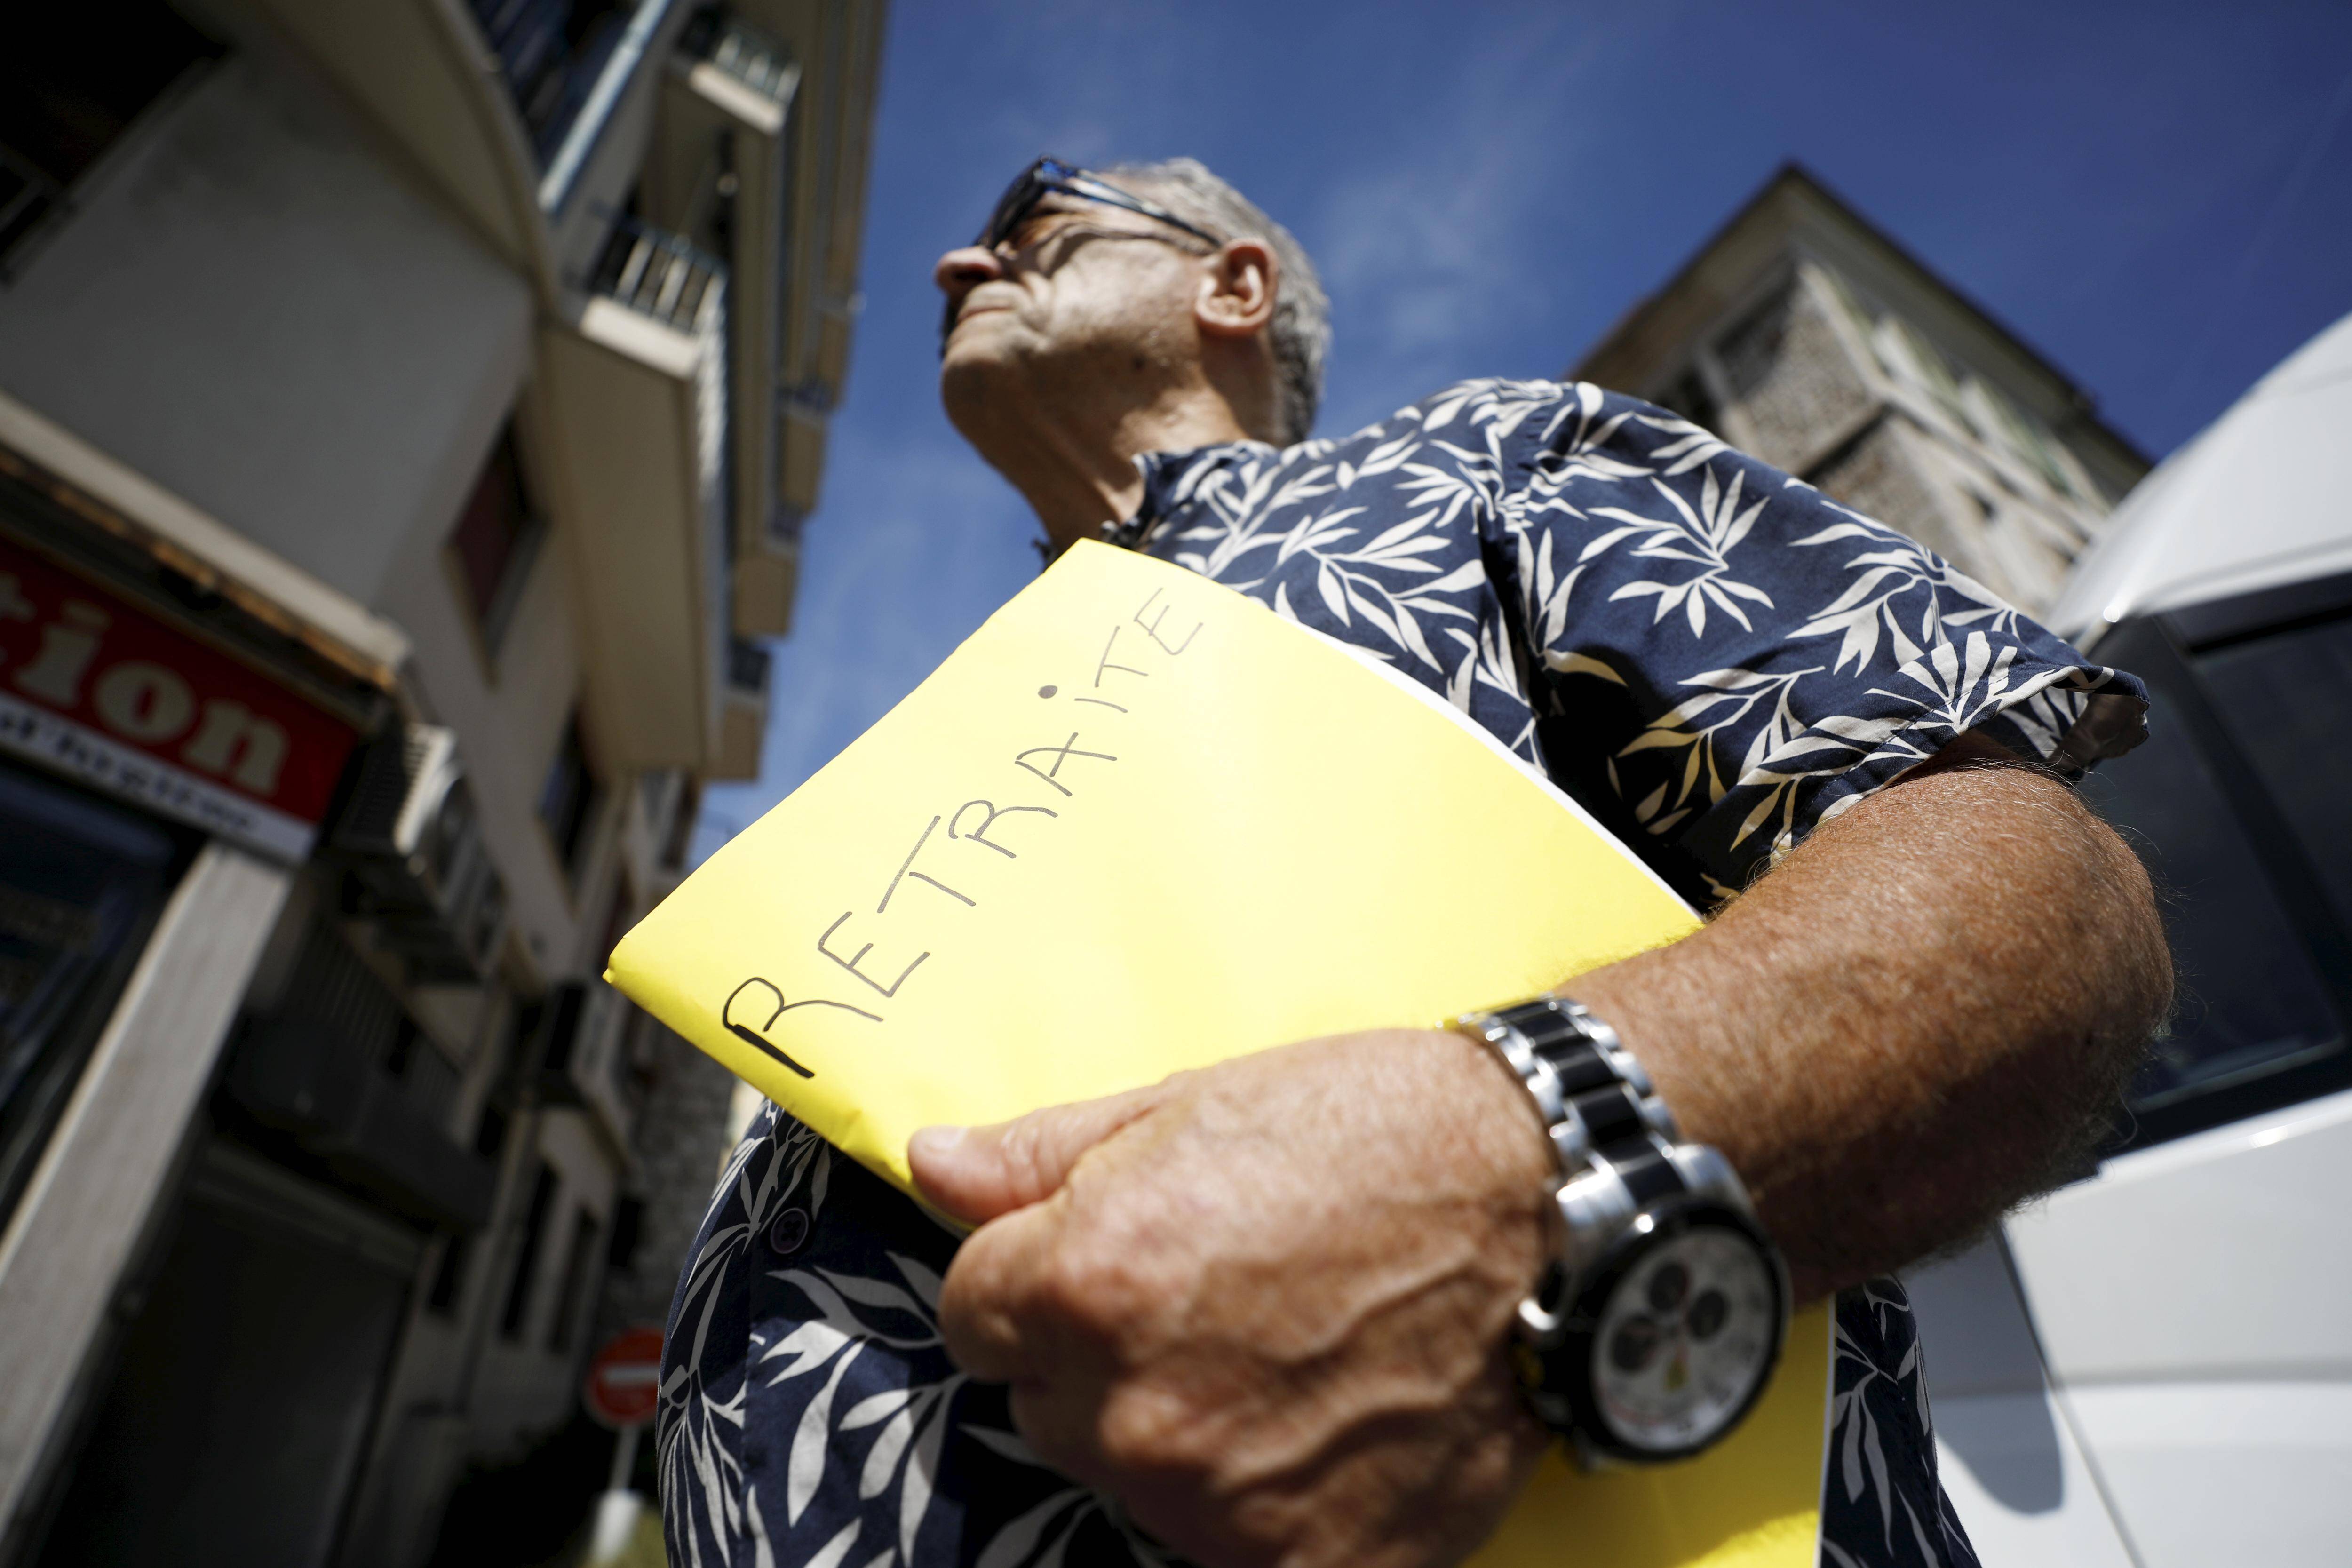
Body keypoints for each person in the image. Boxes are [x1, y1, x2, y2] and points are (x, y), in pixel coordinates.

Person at [659, 156, 2171, 1568]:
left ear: (1233, 288)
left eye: (1036, 218)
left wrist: (1519, 1169)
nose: (956, 259)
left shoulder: (1474, 466)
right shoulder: (990, 695)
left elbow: (2045, 890)